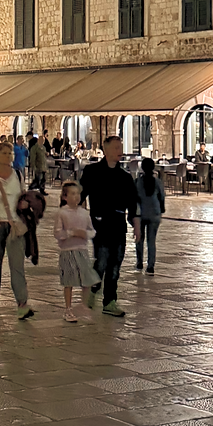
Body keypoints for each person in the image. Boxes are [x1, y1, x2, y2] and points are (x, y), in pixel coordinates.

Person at [78, 134, 140, 317]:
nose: (119, 151)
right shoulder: (92, 172)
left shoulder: (125, 177)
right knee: (102, 259)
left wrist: (136, 225)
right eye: (115, 148)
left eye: (120, 148)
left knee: (115, 264)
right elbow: (80, 194)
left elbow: (132, 202)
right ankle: (92, 288)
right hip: (100, 224)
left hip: (118, 225)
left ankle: (110, 301)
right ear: (105, 150)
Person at [0, 141, 34, 320]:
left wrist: (25, 205)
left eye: (10, 153)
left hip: (15, 225)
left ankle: (22, 303)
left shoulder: (18, 175)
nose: (9, 156)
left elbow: (23, 196)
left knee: (17, 264)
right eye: (4, 153)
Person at [54, 180, 100, 323]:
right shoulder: (62, 213)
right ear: (65, 197)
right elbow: (57, 233)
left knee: (87, 278)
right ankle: (68, 308)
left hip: (82, 250)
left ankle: (82, 304)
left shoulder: (84, 213)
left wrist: (85, 234)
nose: (76, 197)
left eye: (78, 194)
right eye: (72, 194)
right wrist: (71, 233)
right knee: (69, 281)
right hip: (68, 251)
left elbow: (92, 230)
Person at [135, 157, 166, 274]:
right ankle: (150, 265)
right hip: (154, 213)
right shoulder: (157, 182)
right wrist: (161, 209)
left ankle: (139, 262)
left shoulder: (138, 182)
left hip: (141, 213)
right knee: (151, 241)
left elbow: (135, 199)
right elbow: (162, 197)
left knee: (139, 239)